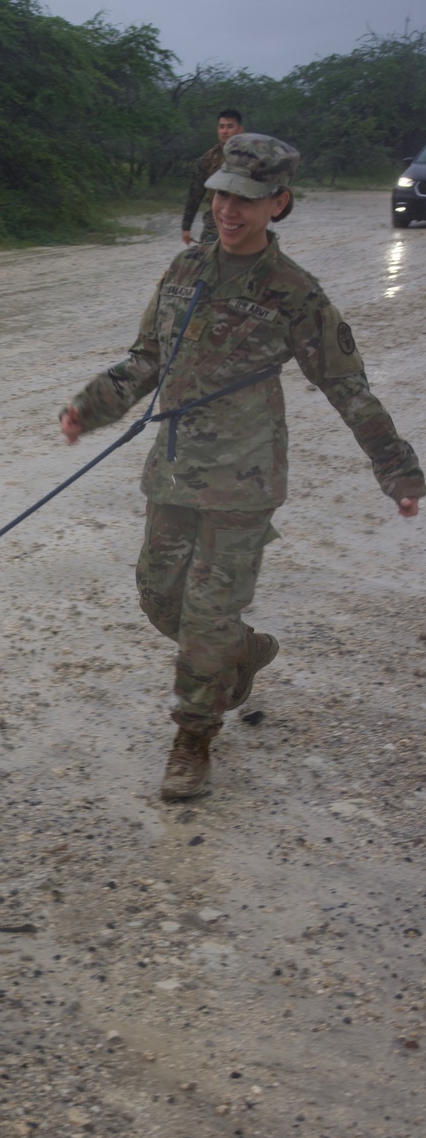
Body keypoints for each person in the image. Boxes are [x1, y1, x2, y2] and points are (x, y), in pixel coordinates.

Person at [59, 133, 423, 801]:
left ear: (278, 203)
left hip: (244, 482)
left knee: (204, 620)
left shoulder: (294, 294)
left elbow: (348, 387)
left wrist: (397, 469)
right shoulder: (185, 270)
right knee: (158, 596)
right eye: (222, 194)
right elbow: (146, 357)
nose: (229, 210)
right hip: (173, 471)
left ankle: (192, 741)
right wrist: (92, 405)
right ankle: (245, 650)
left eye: (248, 200)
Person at [181, 108, 243, 246]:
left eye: (230, 126)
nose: (225, 131)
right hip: (215, 223)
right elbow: (195, 194)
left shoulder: (251, 157)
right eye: (221, 127)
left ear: (239, 130)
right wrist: (186, 227)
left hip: (244, 219)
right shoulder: (207, 160)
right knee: (207, 260)